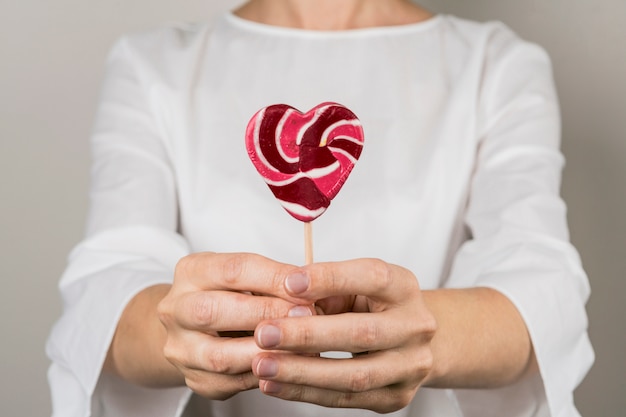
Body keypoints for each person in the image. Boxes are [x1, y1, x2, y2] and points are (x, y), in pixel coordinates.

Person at [46, 0, 594, 416]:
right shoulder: (153, 65)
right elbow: (104, 288)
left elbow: (542, 289)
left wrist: (422, 336)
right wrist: (184, 328)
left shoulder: (495, 64)